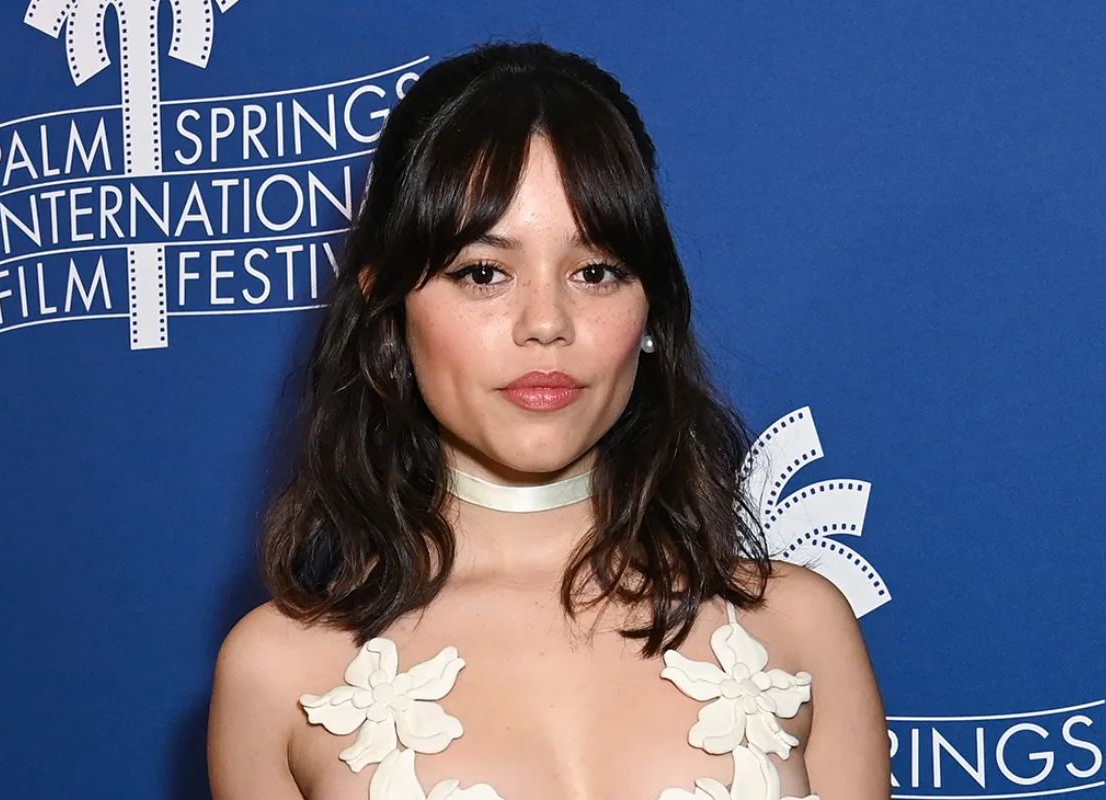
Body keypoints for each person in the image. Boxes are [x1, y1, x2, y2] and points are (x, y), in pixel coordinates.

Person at [206, 39, 891, 800]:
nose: (546, 323)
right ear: (389, 310)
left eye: (594, 272)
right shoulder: (278, 673)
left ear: (651, 308)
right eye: (483, 273)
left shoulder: (800, 627)